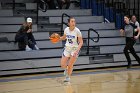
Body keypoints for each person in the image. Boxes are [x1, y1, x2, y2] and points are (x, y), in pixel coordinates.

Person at [59, 17, 83, 82]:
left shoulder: (77, 31)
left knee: (70, 64)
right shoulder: (66, 29)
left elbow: (81, 42)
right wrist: (58, 38)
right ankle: (66, 69)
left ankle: (68, 77)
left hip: (74, 49)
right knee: (62, 65)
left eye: (74, 21)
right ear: (69, 23)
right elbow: (64, 37)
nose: (73, 23)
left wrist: (77, 50)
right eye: (72, 21)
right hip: (67, 48)